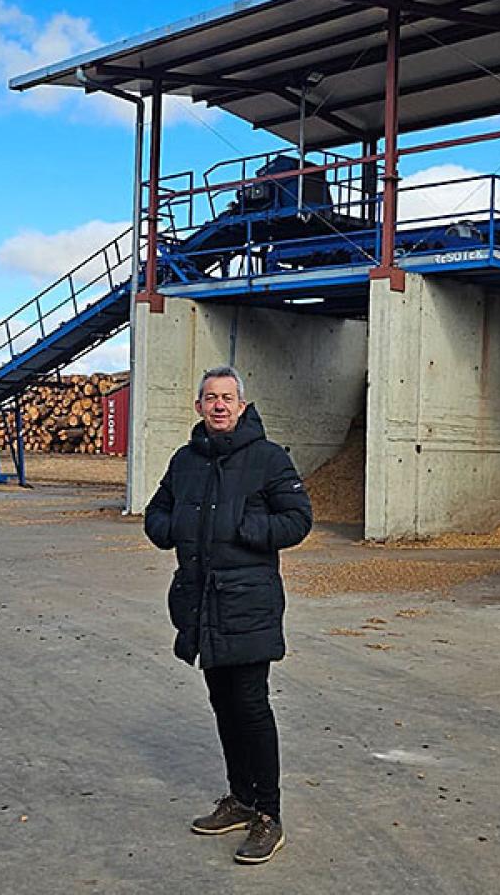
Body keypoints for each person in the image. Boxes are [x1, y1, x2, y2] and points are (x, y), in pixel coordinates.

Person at [143, 365, 313, 865]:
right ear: (199, 406)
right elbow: (156, 512)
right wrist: (173, 528)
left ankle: (268, 815)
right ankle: (240, 798)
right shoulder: (185, 460)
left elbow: (298, 519)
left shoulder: (268, 458)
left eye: (227, 398)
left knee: (251, 705)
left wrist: (246, 527)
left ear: (242, 406)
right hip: (200, 601)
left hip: (248, 602)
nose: (219, 405)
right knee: (223, 703)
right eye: (210, 398)